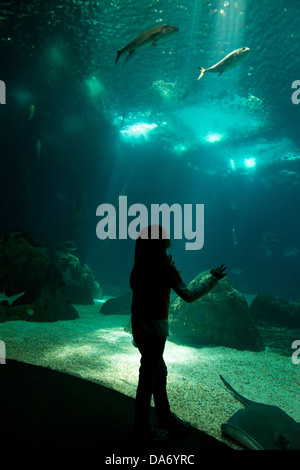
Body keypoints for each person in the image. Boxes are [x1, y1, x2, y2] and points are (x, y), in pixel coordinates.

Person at [130, 225, 227, 441]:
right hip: (155, 332)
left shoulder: (139, 267)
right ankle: (143, 429)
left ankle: (163, 417)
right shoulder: (165, 268)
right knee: (148, 379)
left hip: (139, 328)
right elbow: (189, 295)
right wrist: (212, 279)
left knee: (158, 373)